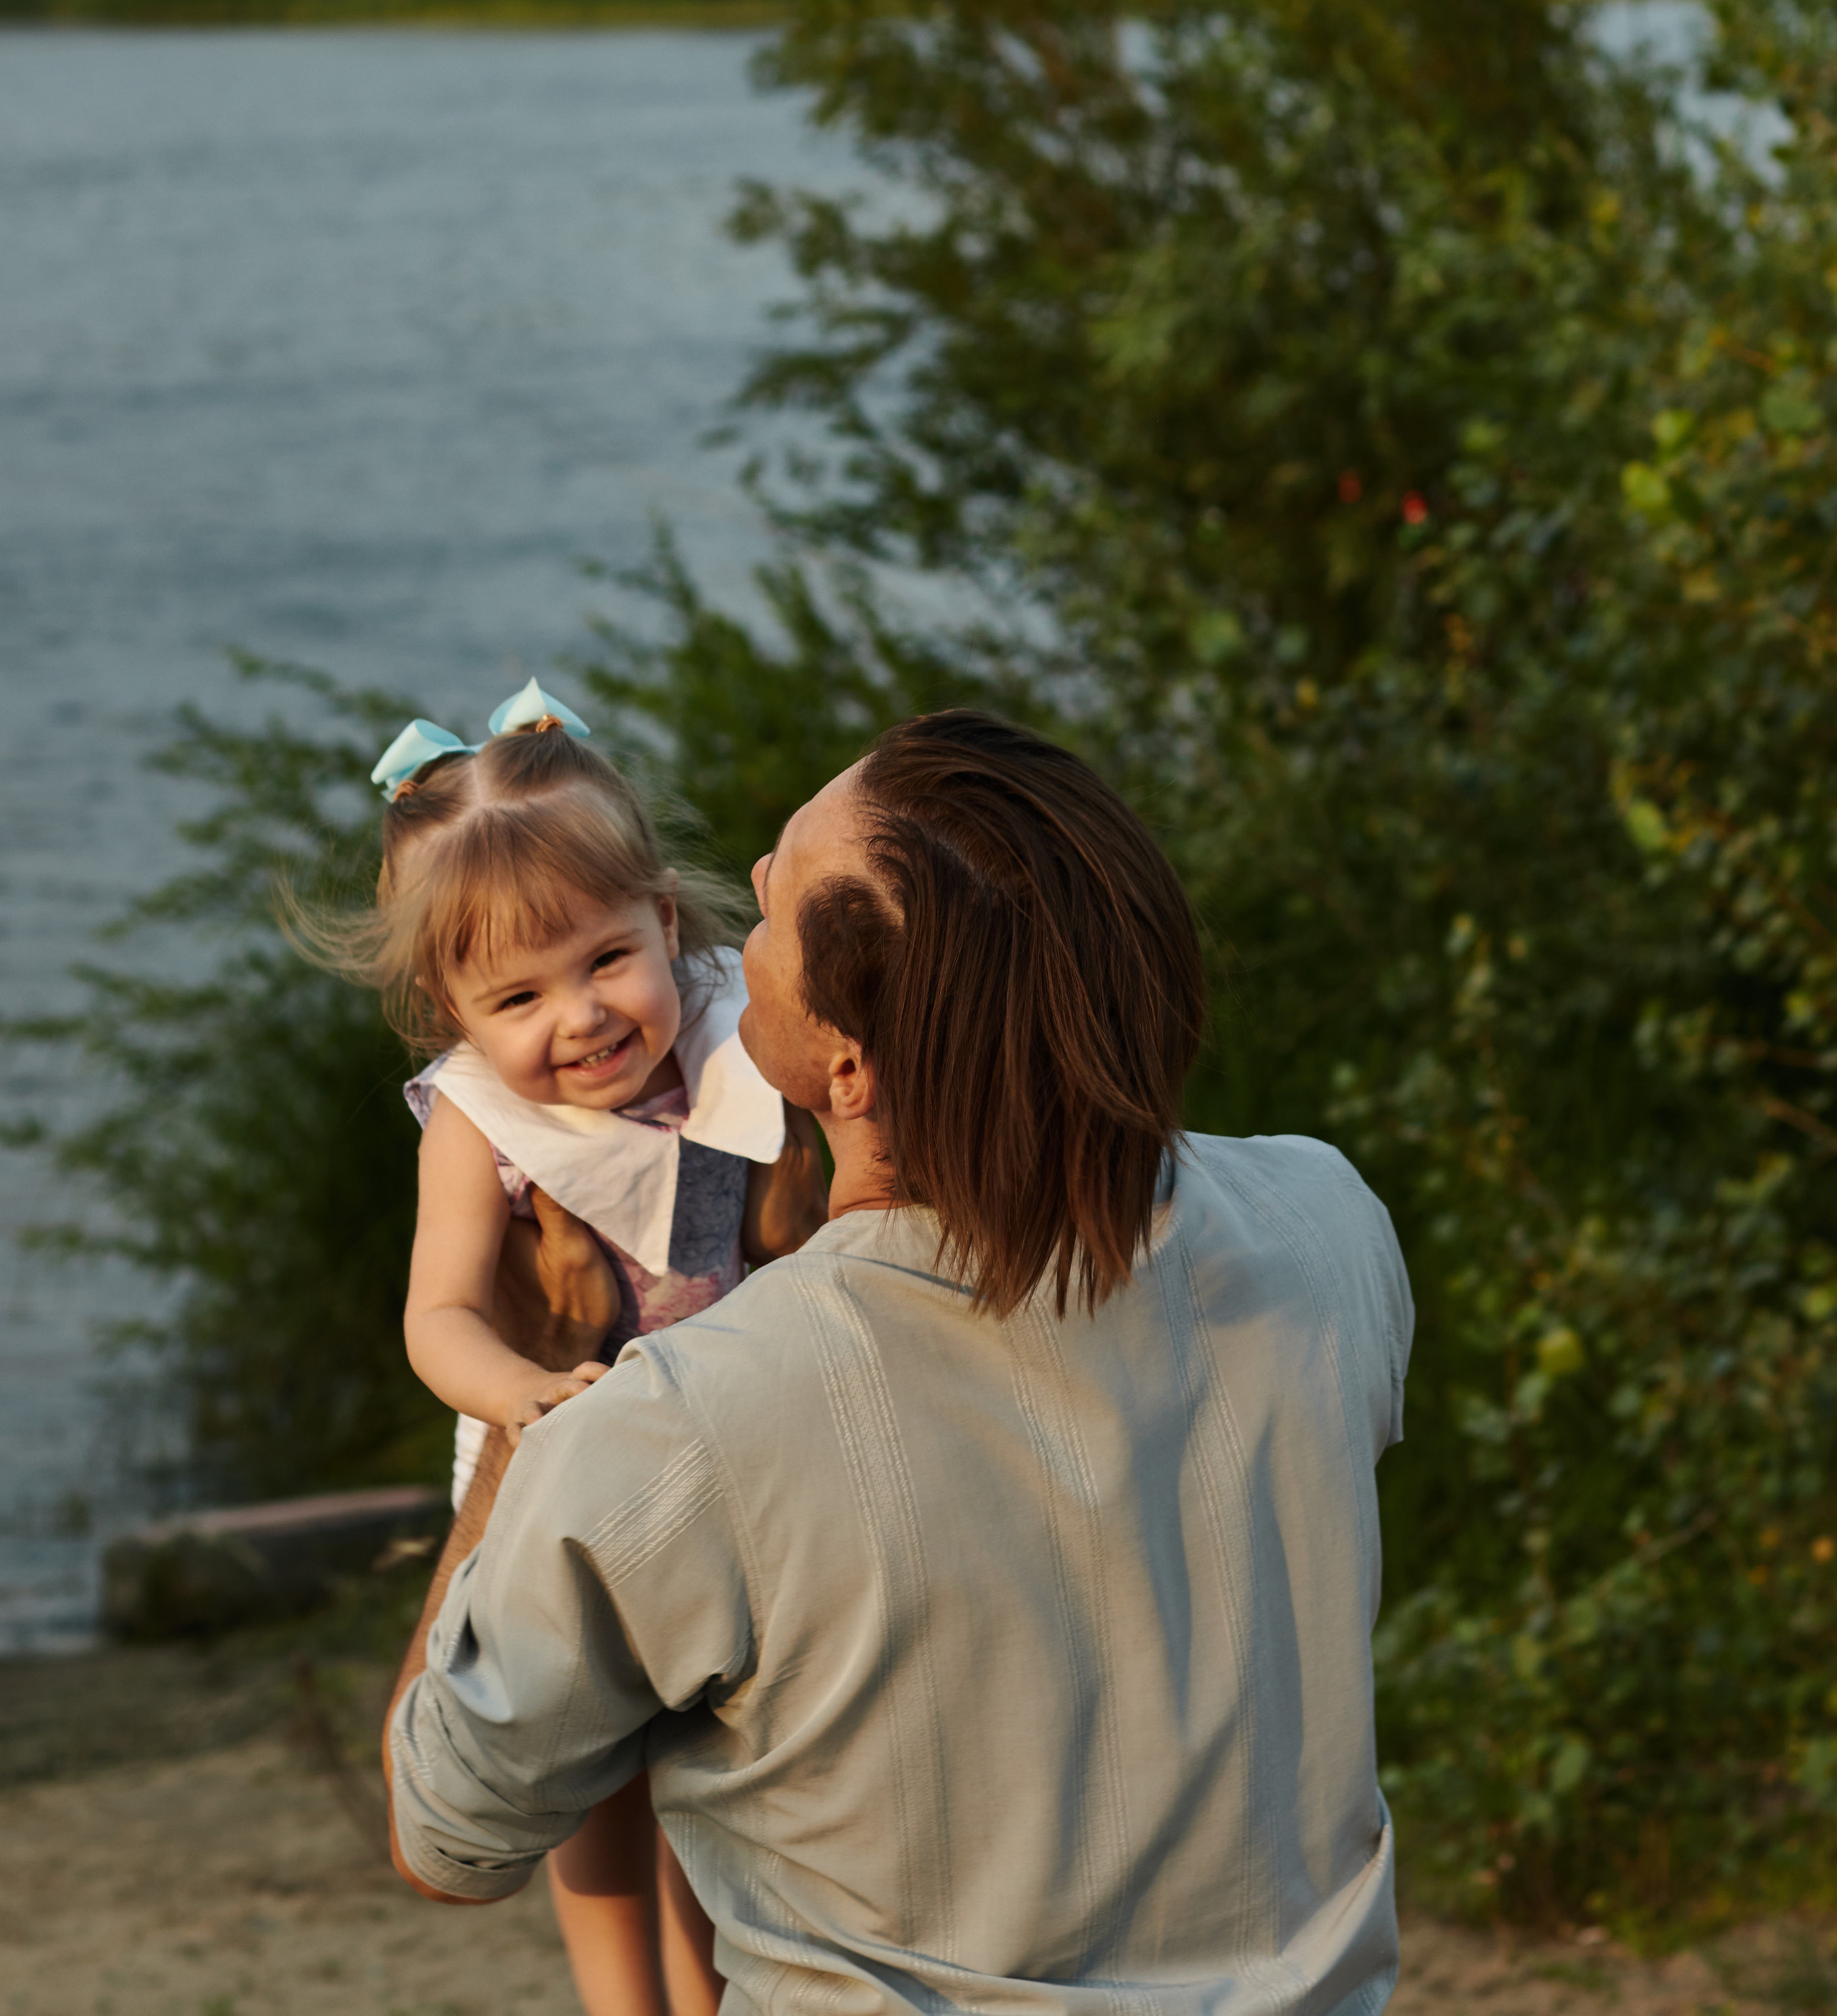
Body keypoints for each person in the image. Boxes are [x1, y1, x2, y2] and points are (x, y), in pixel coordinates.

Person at [385, 707, 1414, 2015]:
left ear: (849, 1066)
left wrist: (530, 1406)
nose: (746, 886)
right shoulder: (1331, 1234)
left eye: (783, 895)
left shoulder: (686, 1427)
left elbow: (447, 1830)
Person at [297, 677, 826, 2016]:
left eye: (603, 960)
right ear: (451, 1010)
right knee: (585, 1759)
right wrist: (524, 1393)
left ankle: (708, 1989)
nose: (580, 1019)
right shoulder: (480, 1122)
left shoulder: (737, 1037)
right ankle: (617, 1999)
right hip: (558, 1444)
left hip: (727, 1453)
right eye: (518, 997)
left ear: (664, 919)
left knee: (706, 1741)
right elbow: (440, 1316)